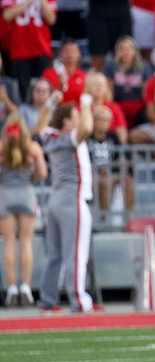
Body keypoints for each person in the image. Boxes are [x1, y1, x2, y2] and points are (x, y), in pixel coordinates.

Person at [35, 92, 98, 312]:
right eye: (75, 116)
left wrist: (51, 102)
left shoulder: (51, 137)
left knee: (54, 254)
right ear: (67, 122)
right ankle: (79, 299)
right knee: (75, 253)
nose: (79, 118)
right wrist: (87, 104)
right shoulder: (67, 138)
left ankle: (48, 298)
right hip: (73, 199)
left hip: (56, 199)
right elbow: (87, 129)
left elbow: (41, 124)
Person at [0, 114, 47, 306]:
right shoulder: (32, 147)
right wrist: (31, 175)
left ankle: (11, 288)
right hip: (26, 194)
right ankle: (26, 287)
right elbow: (43, 173)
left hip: (5, 195)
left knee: (9, 243)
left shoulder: (2, 146)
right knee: (26, 242)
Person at [2, 0, 57, 102]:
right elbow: (7, 15)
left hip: (41, 46)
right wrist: (30, 0)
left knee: (45, 89)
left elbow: (52, 19)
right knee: (25, 92)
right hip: (19, 48)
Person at [103, 36, 152, 129]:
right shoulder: (111, 66)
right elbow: (108, 92)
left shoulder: (144, 66)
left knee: (144, 116)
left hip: (138, 105)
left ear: (135, 51)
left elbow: (146, 92)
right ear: (118, 51)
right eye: (123, 48)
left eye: (129, 48)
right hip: (118, 104)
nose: (126, 51)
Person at [41, 40, 86, 105]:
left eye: (73, 51)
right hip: (54, 110)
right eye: (67, 51)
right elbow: (44, 96)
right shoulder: (49, 73)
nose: (70, 54)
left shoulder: (83, 76)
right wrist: (60, 87)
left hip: (77, 111)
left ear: (79, 54)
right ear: (61, 53)